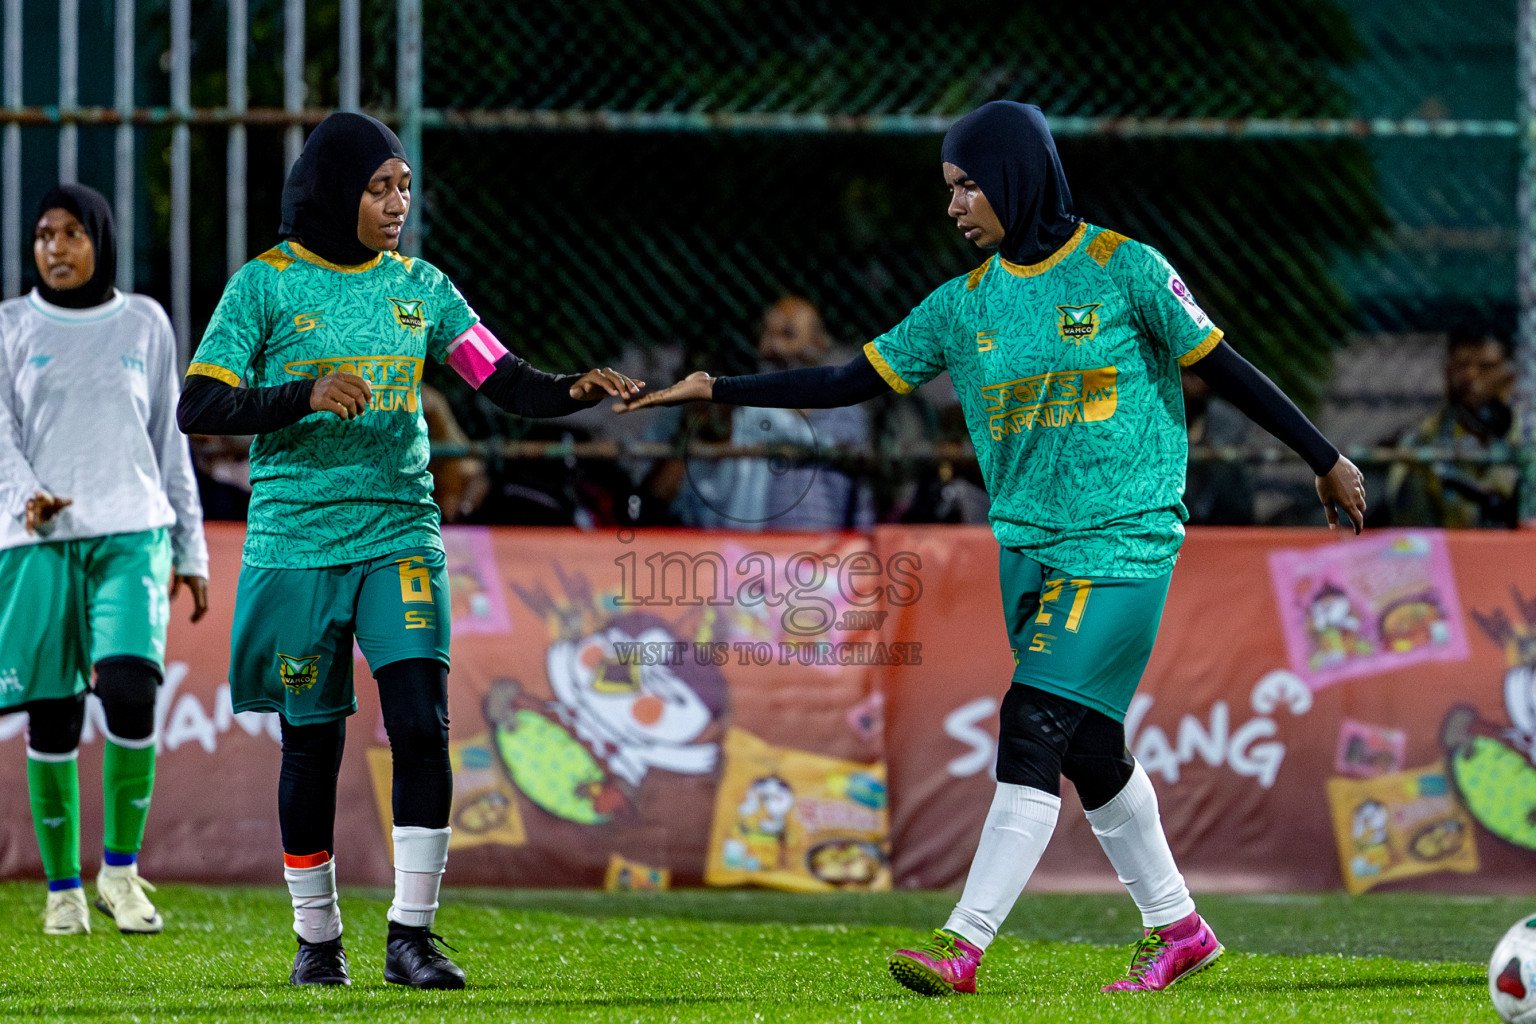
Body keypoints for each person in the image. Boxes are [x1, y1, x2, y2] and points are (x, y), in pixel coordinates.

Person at [618, 101, 1366, 995]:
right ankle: (1179, 927)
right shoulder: (959, 306)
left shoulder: (1126, 269)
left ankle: (962, 943)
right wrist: (715, 388)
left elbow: (1227, 366)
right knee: (1091, 750)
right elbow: (847, 378)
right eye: (949, 189)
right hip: (1028, 550)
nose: (955, 206)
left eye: (968, 185)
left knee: (1030, 723)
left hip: (1121, 544)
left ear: (1017, 176)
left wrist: (1324, 457)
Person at [176, 112, 640, 989]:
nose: (398, 204)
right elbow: (198, 407)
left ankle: (411, 937)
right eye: (380, 187)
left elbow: (497, 375)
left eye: (405, 188)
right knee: (310, 745)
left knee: (423, 727)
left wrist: (569, 389)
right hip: (298, 543)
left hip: (400, 532)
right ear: (332, 189)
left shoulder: (420, 288)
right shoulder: (264, 287)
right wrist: (304, 392)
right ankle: (318, 942)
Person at [0, 183, 209, 936]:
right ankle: (62, 890)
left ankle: (120, 874)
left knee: (128, 692)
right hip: (41, 544)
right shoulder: (11, 326)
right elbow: (0, 435)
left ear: (101, 241)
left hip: (133, 536)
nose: (55, 248)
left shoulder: (146, 322)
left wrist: (193, 550)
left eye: (70, 234)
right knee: (52, 716)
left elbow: (169, 443)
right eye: (43, 235)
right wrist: (29, 495)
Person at [1386, 327, 1519, 528]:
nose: (1471, 375)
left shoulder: (1526, 439)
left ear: (1508, 376)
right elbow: (1408, 521)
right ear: (1448, 372)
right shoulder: (1422, 441)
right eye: (1462, 365)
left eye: (1486, 367)